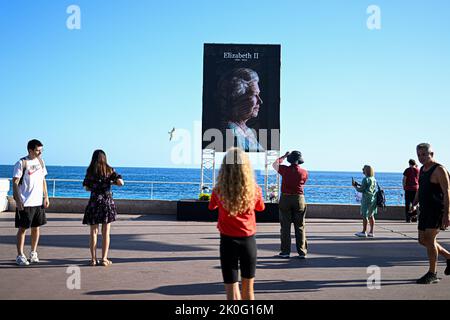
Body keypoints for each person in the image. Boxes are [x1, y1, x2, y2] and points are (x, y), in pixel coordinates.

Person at [208, 147, 265, 300]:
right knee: (249, 291)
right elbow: (261, 207)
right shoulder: (255, 190)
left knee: (231, 293)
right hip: (248, 242)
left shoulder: (218, 190)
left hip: (227, 242)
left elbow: (211, 206)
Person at [410, 143, 450, 284]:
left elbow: (447, 192)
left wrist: (447, 214)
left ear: (431, 154)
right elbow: (421, 188)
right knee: (423, 240)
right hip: (425, 210)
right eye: (419, 155)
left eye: (424, 154)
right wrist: (414, 202)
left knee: (430, 239)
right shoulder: (422, 169)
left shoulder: (439, 169)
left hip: (437, 211)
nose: (421, 157)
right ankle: (449, 257)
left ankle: (432, 273)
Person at [82, 150, 124, 267]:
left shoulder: (90, 171)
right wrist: (110, 183)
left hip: (94, 202)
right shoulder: (110, 170)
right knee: (106, 232)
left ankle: (93, 259)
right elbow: (121, 183)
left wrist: (96, 187)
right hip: (106, 203)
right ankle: (104, 259)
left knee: (93, 232)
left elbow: (86, 188)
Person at [12, 139, 50, 266]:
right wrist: (18, 200)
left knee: (36, 228)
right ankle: (20, 255)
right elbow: (15, 183)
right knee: (23, 229)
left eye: (41, 150)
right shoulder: (21, 163)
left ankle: (33, 253)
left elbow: (43, 180)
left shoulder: (40, 161)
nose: (40, 153)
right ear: (30, 150)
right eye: (38, 150)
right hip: (25, 202)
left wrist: (46, 196)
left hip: (38, 202)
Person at [216, 68, 264, 152]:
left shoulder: (247, 131)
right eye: (254, 95)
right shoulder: (231, 132)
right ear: (235, 98)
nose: (260, 101)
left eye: (258, 95)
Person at [272, 151, 309, 259]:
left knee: (285, 227)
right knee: (300, 226)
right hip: (299, 198)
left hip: (285, 198)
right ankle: (302, 252)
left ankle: (285, 252)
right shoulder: (304, 172)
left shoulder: (285, 170)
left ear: (290, 159)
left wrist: (283, 156)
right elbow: (303, 182)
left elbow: (274, 164)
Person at [352, 165, 377, 238]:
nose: (362, 170)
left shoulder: (365, 179)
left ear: (366, 171)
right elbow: (369, 188)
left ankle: (364, 231)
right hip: (373, 199)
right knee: (371, 215)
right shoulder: (373, 179)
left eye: (363, 169)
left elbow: (361, 190)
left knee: (365, 215)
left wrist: (355, 186)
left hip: (366, 199)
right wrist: (359, 185)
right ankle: (371, 232)